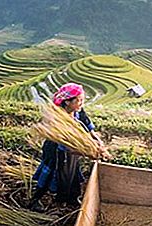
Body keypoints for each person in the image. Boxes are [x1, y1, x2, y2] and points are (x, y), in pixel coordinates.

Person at [28, 83, 110, 212]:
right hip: (56, 151)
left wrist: (98, 142)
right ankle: (35, 200)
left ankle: (72, 199)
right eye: (78, 100)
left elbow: (88, 126)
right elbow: (65, 145)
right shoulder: (58, 118)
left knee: (72, 174)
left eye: (83, 99)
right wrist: (87, 152)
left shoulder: (78, 111)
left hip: (72, 151)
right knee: (51, 175)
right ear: (67, 102)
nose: (81, 103)